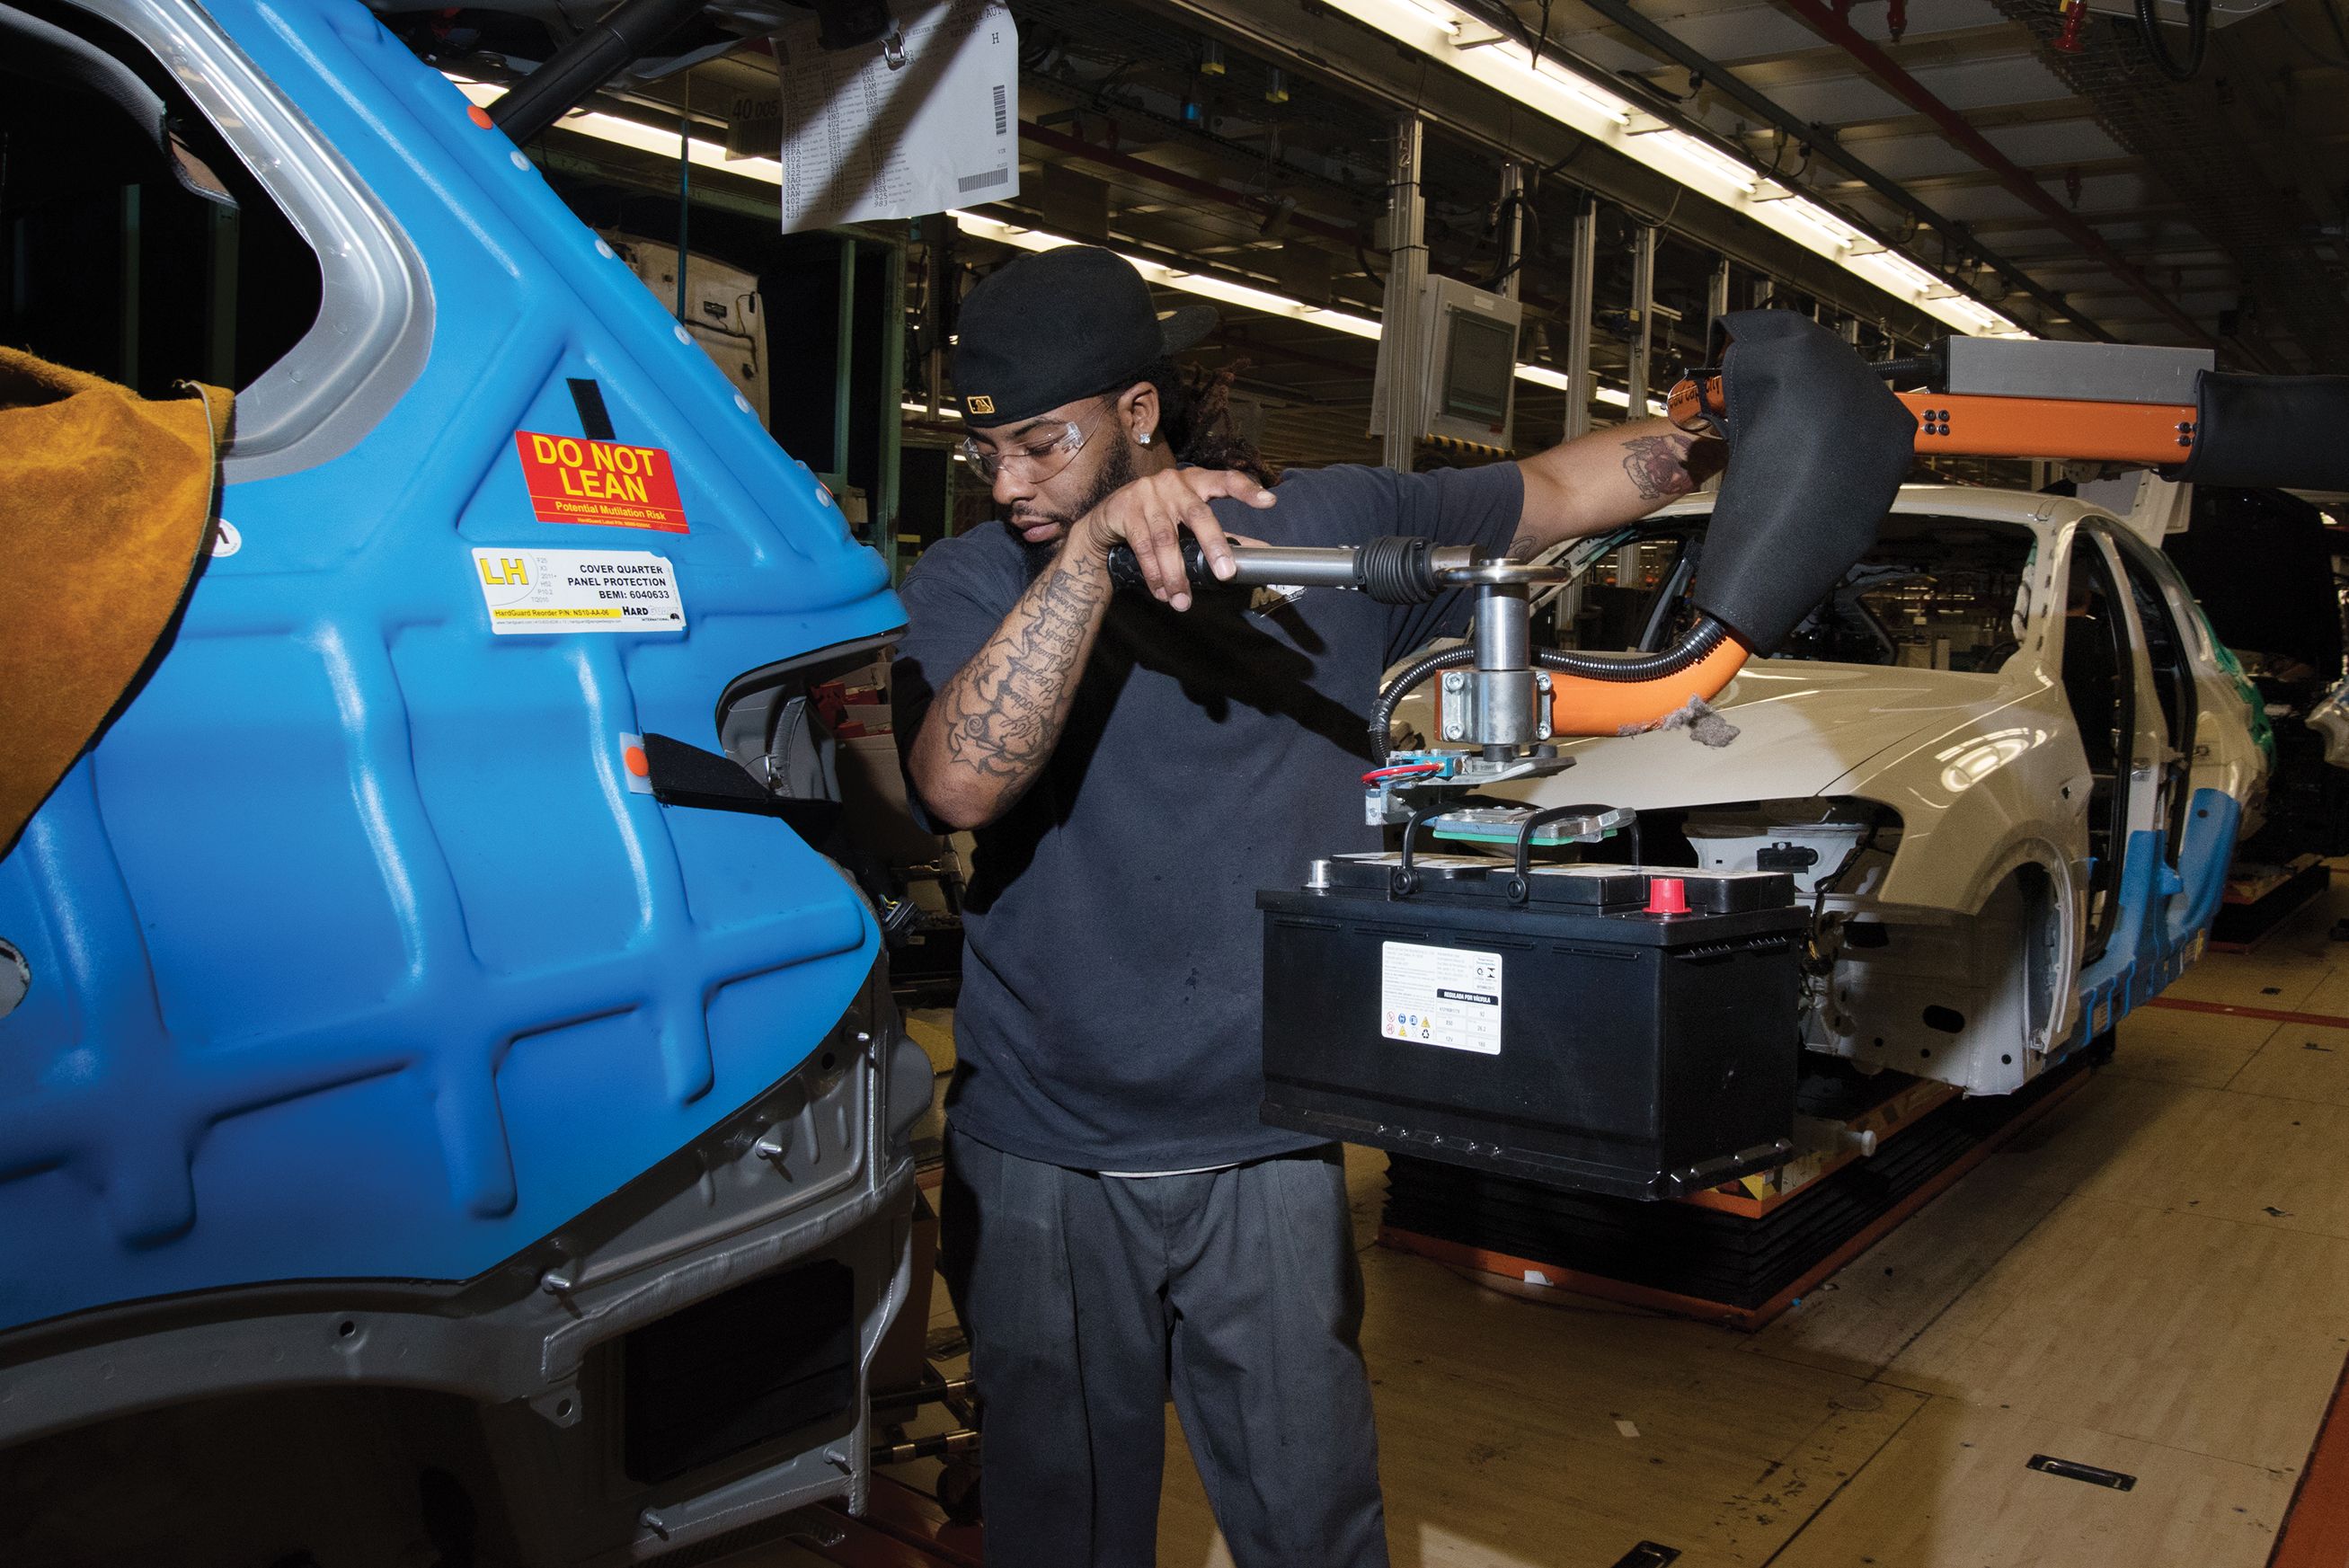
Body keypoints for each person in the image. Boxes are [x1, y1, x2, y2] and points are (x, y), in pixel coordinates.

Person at [891, 244, 1722, 1567]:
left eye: (1041, 445)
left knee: (1311, 1524)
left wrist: (1707, 428)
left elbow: (1565, 486)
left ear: (1140, 411)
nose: (1009, 483)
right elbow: (957, 784)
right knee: (1062, 1531)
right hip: (1047, 1146)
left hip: (1268, 1140)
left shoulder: (1328, 526)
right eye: (983, 450)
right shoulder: (977, 581)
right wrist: (1091, 552)